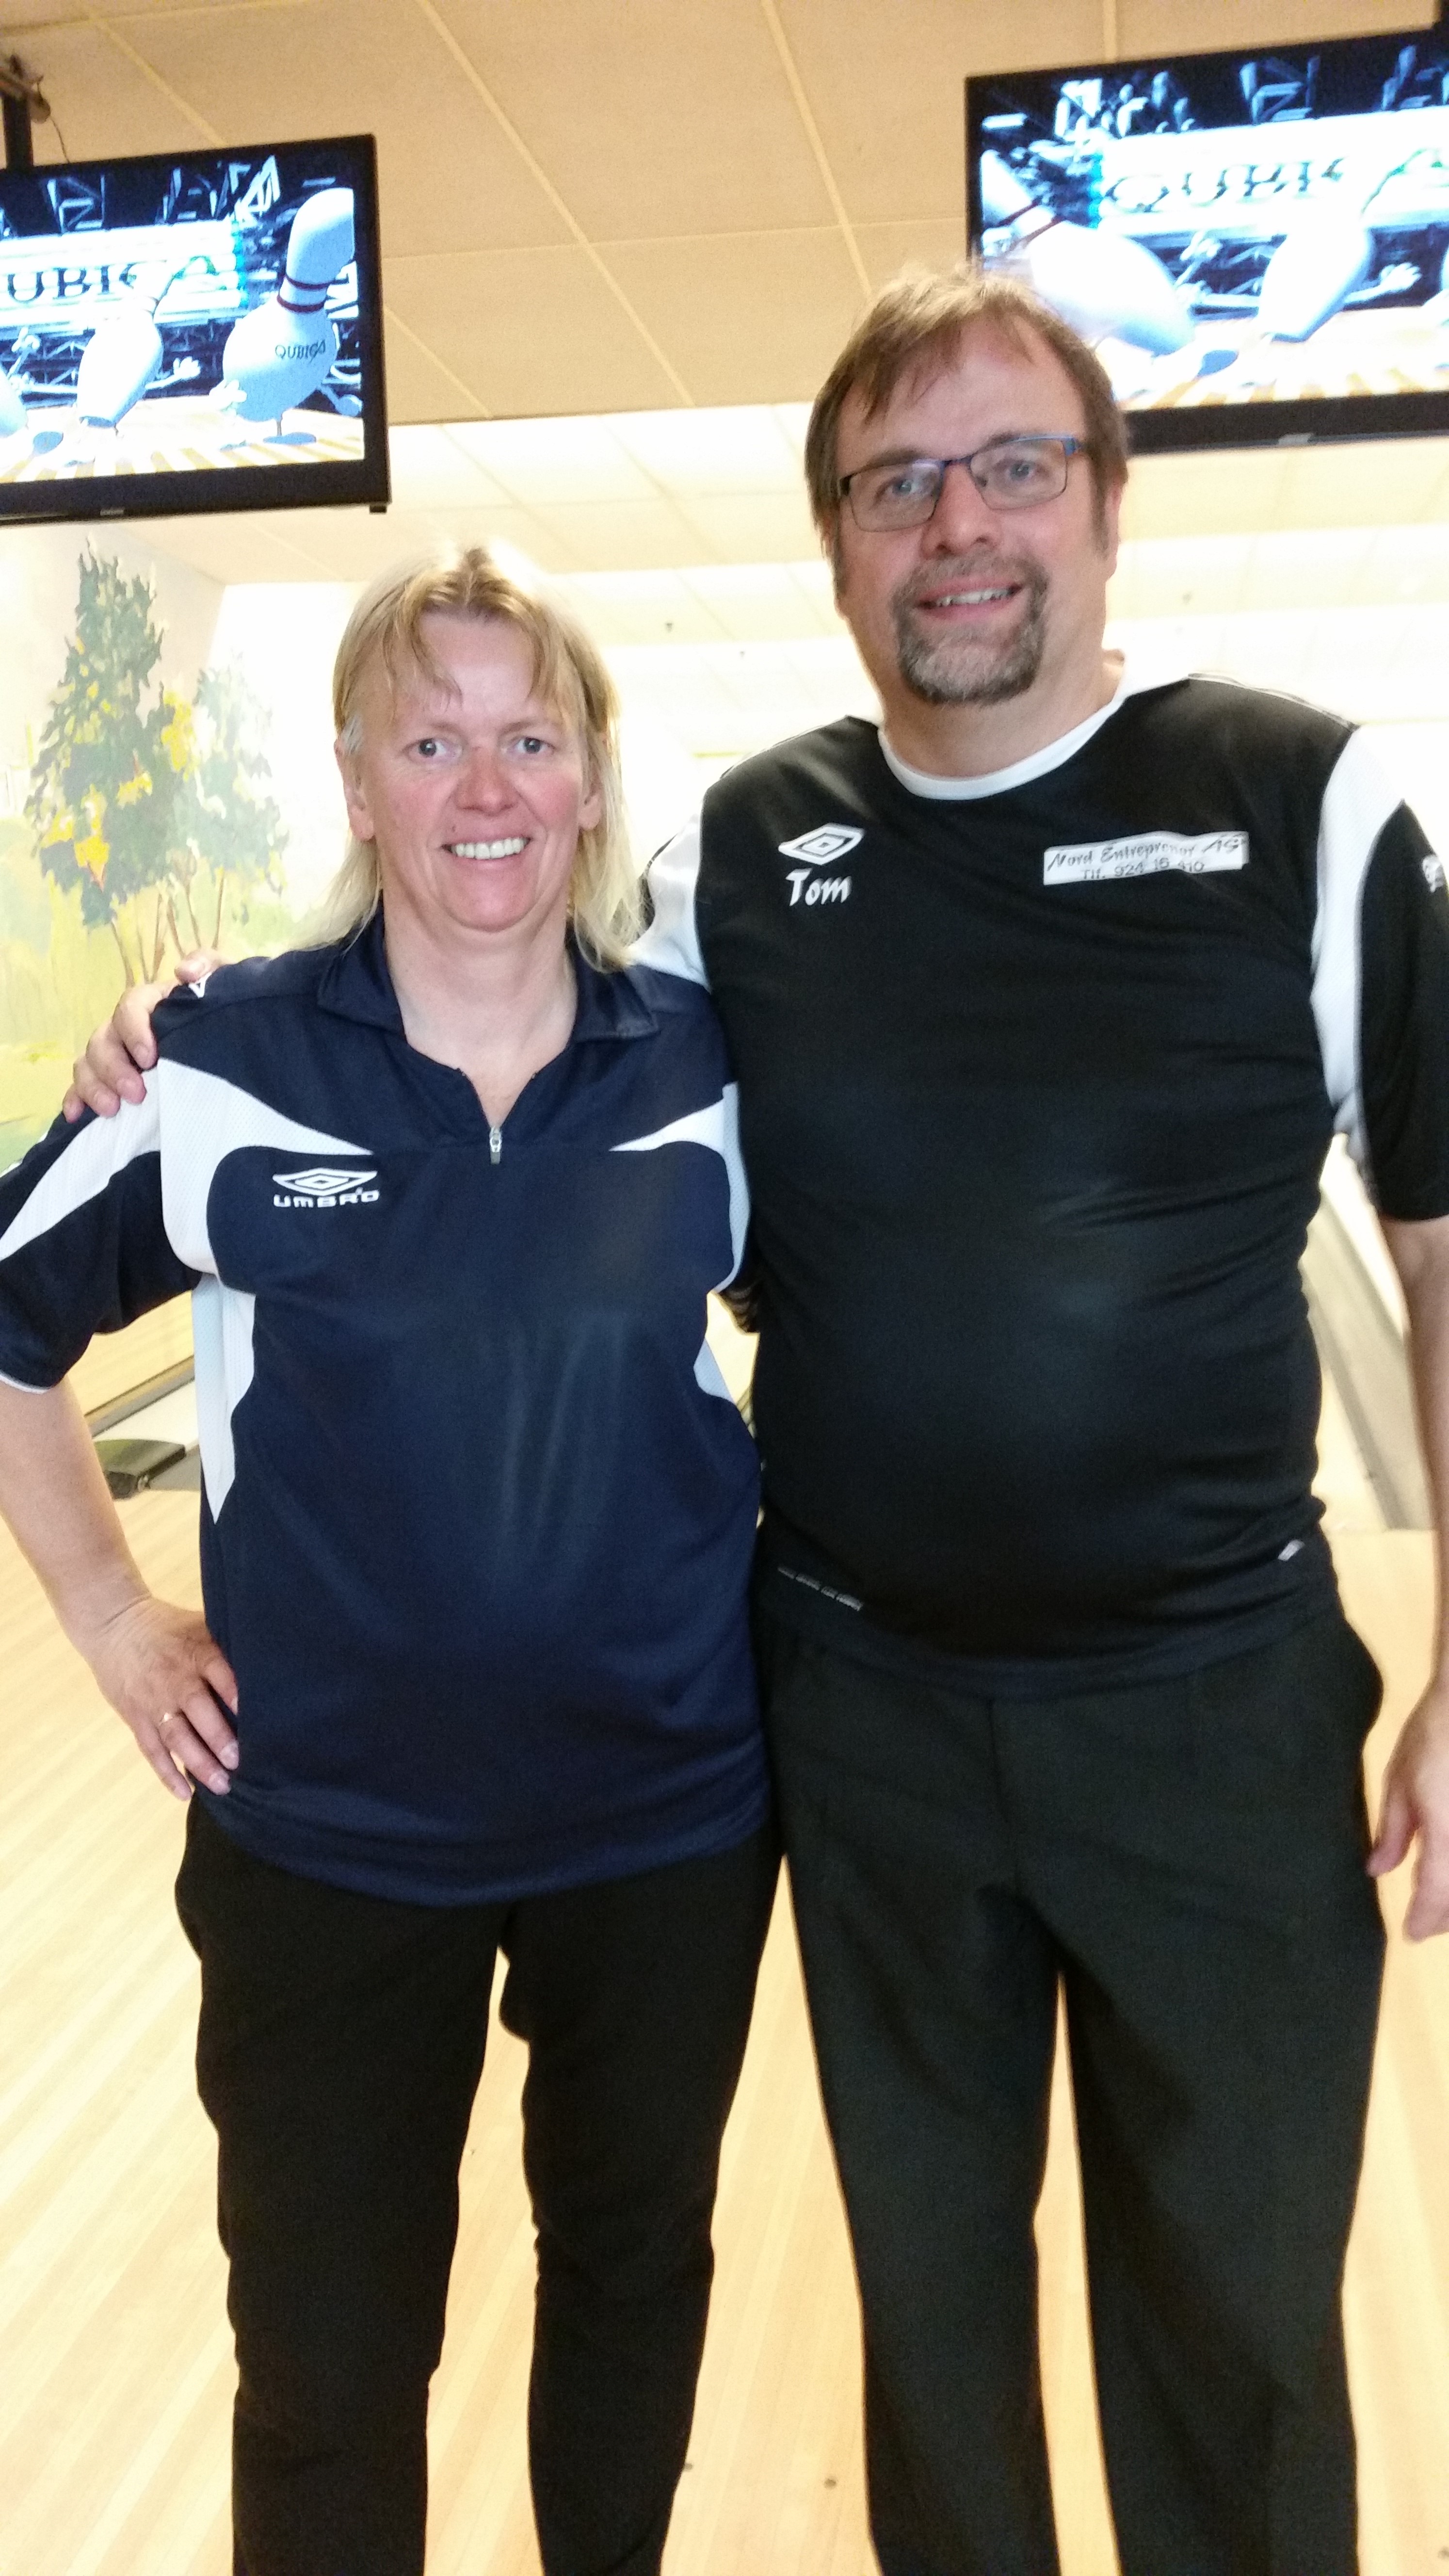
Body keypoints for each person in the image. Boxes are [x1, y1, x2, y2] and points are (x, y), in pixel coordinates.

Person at [72, 270, 1449, 2576]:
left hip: (1210, 1707)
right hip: (863, 1711)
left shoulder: (1304, 800)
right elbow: (512, 984)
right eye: (899, 482)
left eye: (1013, 466)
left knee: (1235, 2326)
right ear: (838, 543)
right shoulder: (749, 856)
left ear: (1110, 501)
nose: (959, 523)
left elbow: (1436, 1234)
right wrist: (189, 1022)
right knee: (933, 2319)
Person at [3, 547, 777, 2576]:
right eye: (431, 743)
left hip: (667, 1819)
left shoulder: (707, 1057)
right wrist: (108, 1611)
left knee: (631, 2278)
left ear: (591, 778)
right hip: (328, 1832)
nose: (486, 787)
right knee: (329, 2360)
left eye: (530, 737)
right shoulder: (215, 1061)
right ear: (357, 783)